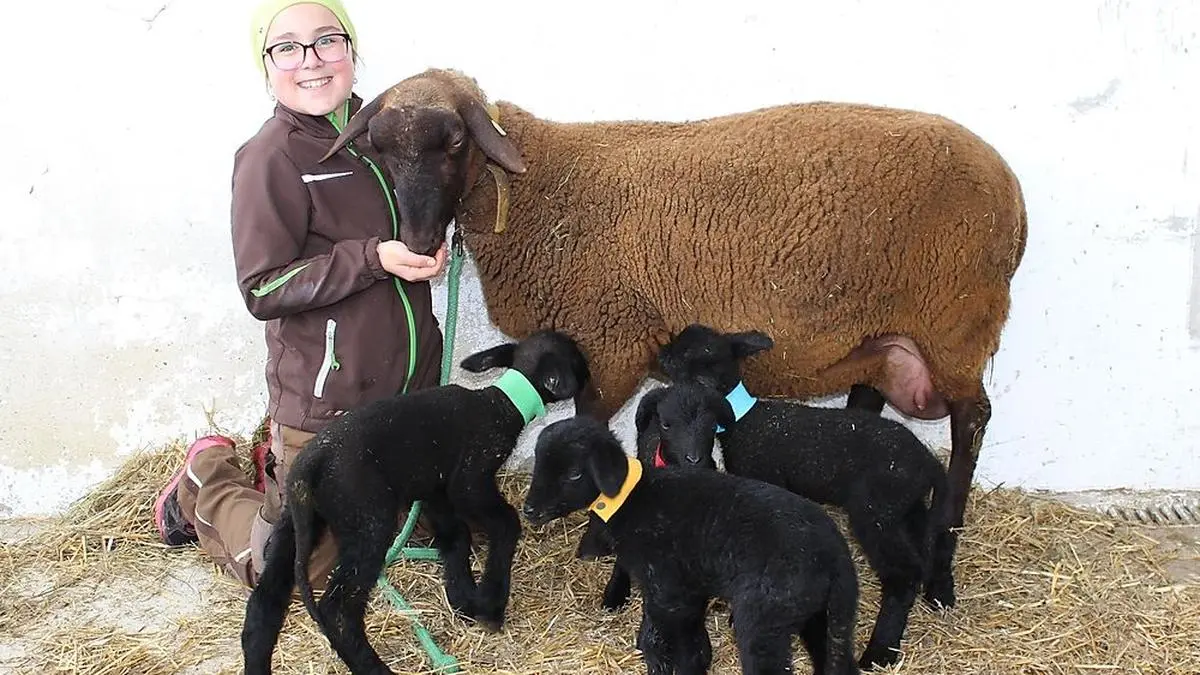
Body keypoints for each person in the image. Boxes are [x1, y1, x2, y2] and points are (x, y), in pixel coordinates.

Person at [153, 0, 447, 590]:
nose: (310, 61)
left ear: (352, 53)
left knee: (396, 529)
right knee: (295, 571)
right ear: (266, 65)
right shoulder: (271, 158)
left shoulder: (386, 134)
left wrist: (426, 250)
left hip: (406, 390)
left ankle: (277, 474)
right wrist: (373, 258)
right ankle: (203, 480)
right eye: (286, 47)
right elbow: (263, 286)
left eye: (327, 41)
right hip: (325, 402)